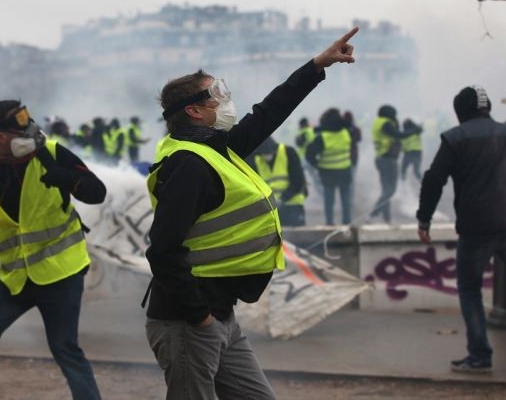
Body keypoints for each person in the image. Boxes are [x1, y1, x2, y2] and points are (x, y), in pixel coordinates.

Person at [144, 27, 358, 399]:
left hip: (221, 315)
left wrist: (316, 66)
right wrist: (200, 317)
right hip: (189, 321)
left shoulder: (215, 149)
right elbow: (162, 249)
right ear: (193, 111)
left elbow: (267, 113)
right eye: (217, 95)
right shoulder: (188, 164)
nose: (227, 101)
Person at [0, 100, 105, 400]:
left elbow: (97, 192)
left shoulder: (52, 154)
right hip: (16, 279)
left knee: (64, 347)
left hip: (62, 273)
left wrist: (70, 179)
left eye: (27, 125)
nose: (28, 133)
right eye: (15, 130)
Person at [416, 86, 506, 382]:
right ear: (487, 109)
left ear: (461, 111)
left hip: (476, 230)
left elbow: (434, 178)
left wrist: (424, 220)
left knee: (470, 290)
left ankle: (480, 356)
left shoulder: (454, 138)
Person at [306, 108, 352, 225]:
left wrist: (317, 165)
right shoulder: (346, 132)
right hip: (345, 171)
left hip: (328, 172)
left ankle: (329, 223)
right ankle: (347, 222)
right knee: (346, 200)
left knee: (329, 200)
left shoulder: (322, 137)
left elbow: (309, 154)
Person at [248, 136, 307, 227]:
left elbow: (298, 181)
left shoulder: (288, 152)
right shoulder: (257, 159)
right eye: (262, 154)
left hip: (293, 205)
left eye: (267, 153)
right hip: (272, 209)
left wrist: (283, 198)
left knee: (296, 234)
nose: (265, 156)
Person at [369, 105, 413, 223]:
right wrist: (413, 131)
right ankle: (374, 213)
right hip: (388, 159)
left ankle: (386, 218)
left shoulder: (378, 122)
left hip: (381, 158)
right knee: (390, 190)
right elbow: (398, 135)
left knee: (385, 189)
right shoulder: (386, 123)